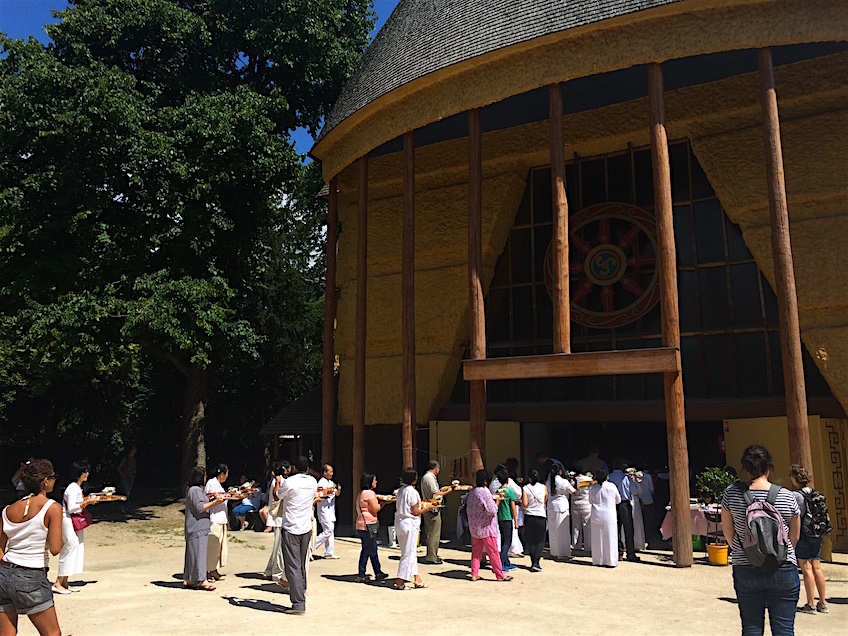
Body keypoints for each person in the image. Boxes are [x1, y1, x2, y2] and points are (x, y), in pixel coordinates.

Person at [721, 445, 800, 636]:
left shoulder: (732, 494)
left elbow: (728, 532)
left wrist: (746, 552)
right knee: (784, 630)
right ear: (769, 467)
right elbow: (794, 536)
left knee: (751, 628)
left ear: (745, 468)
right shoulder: (787, 496)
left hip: (746, 567)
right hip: (783, 567)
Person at [0, 459, 64, 636]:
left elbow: (0, 547)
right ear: (45, 481)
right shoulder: (53, 508)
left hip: (3, 574)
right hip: (31, 574)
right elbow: (55, 548)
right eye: (53, 477)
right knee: (52, 633)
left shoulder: (7, 510)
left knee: (6, 633)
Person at [278, 455, 319, 615]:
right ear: (308, 468)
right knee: (301, 564)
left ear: (293, 468)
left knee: (293, 566)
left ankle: (298, 603)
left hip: (291, 527)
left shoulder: (290, 482)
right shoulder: (312, 482)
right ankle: (302, 592)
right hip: (306, 527)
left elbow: (278, 496)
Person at [54, 460, 100, 594]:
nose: (87, 474)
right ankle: (58, 582)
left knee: (76, 545)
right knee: (70, 545)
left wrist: (88, 501)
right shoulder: (73, 487)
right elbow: (71, 508)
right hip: (67, 519)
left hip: (71, 519)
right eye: (85, 472)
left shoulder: (77, 487)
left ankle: (65, 582)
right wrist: (87, 502)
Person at [789, 464, 827, 615]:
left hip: (804, 534)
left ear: (795, 479)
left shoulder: (796, 496)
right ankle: (822, 602)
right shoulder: (816, 494)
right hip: (817, 534)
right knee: (817, 567)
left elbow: (794, 516)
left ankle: (810, 603)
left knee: (806, 568)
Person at [184, 466, 225, 591]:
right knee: (200, 554)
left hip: (194, 526)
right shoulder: (195, 490)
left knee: (192, 555)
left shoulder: (193, 490)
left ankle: (190, 578)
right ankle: (202, 580)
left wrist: (211, 498)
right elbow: (200, 507)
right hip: (198, 527)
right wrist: (214, 502)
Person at [466, 470, 512, 582]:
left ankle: (474, 573)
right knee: (493, 552)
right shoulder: (484, 491)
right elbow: (491, 510)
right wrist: (497, 503)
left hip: (475, 527)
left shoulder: (473, 491)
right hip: (486, 527)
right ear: (486, 481)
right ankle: (500, 575)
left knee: (476, 552)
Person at [394, 468, 435, 590]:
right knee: (407, 554)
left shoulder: (400, 490)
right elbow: (416, 511)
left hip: (400, 522)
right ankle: (399, 581)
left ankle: (417, 578)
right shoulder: (412, 492)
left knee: (410, 552)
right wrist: (428, 508)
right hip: (409, 523)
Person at [355, 472, 390, 583]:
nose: (376, 482)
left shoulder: (361, 493)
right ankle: (361, 574)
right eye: (374, 480)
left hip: (362, 523)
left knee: (373, 549)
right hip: (368, 525)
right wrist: (383, 502)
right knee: (367, 550)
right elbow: (376, 508)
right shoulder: (369, 493)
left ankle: (378, 572)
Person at [420, 461, 453, 565]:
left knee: (431, 532)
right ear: (435, 468)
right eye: (438, 468)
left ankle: (432, 554)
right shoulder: (429, 477)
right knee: (433, 533)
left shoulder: (427, 477)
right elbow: (436, 493)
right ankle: (432, 556)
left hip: (429, 506)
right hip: (432, 507)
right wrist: (448, 491)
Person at [609, 459, 640, 562]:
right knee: (628, 529)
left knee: (615, 529)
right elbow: (635, 491)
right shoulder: (626, 478)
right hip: (624, 503)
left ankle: (618, 552)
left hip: (613, 505)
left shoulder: (609, 477)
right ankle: (630, 553)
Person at [263, 461, 289, 587]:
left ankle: (269, 569)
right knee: (279, 547)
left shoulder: (280, 480)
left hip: (280, 518)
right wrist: (279, 482)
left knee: (277, 546)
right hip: (279, 518)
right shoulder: (278, 481)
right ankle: (277, 572)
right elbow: (276, 495)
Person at [589, 469, 620, 567]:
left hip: (596, 514)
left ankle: (598, 560)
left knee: (597, 538)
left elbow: (590, 500)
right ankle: (610, 561)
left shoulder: (592, 487)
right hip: (609, 514)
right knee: (610, 537)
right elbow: (618, 500)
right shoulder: (611, 486)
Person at [205, 463, 229, 581]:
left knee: (218, 546)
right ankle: (207, 571)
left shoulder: (218, 484)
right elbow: (213, 498)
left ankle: (213, 569)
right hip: (214, 518)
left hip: (221, 518)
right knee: (212, 546)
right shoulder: (212, 483)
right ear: (222, 474)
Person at [547, 462, 576, 561]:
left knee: (553, 530)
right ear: (559, 471)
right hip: (561, 507)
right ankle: (562, 552)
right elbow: (573, 491)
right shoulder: (563, 481)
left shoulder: (549, 481)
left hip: (551, 506)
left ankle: (554, 551)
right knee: (562, 531)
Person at [521, 468, 548, 572]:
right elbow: (545, 499)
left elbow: (525, 504)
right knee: (540, 540)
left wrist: (521, 504)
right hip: (541, 515)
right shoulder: (543, 487)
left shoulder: (526, 488)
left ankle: (533, 562)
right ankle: (537, 562)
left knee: (531, 540)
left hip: (529, 515)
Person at [494, 468, 518, 572]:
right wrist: (516, 521)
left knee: (504, 539)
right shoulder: (509, 492)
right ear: (507, 480)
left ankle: (506, 561)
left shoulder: (497, 491)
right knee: (508, 541)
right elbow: (513, 507)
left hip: (500, 518)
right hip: (508, 518)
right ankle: (502, 562)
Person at [315, 464, 340, 559]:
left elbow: (336, 493)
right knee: (328, 530)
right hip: (324, 510)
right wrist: (330, 491)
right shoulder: (321, 483)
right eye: (330, 471)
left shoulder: (331, 483)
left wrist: (338, 490)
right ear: (325, 473)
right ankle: (311, 546)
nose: (332, 473)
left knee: (330, 531)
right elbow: (321, 494)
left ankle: (329, 552)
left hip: (331, 510)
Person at [571, 465, 592, 553]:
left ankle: (576, 545)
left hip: (575, 505)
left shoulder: (572, 481)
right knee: (587, 527)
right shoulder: (588, 480)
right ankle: (588, 546)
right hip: (586, 505)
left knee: (576, 527)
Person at [116, 445, 137, 513]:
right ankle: (129, 508)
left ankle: (123, 506)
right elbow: (119, 468)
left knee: (127, 493)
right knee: (127, 493)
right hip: (125, 478)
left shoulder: (134, 460)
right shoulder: (126, 459)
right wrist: (123, 476)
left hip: (131, 477)